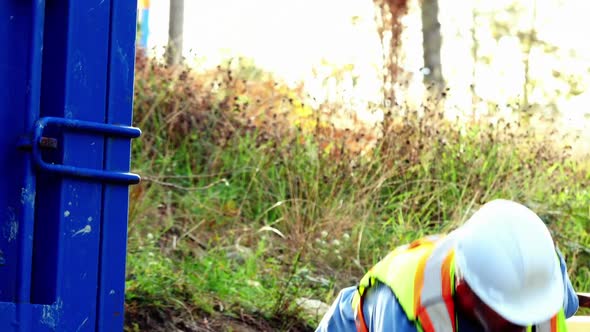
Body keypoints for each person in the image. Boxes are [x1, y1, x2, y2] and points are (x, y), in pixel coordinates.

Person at [316, 199, 579, 332]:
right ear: (466, 292)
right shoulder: (405, 311)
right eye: (509, 321)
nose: (521, 326)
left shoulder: (545, 276)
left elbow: (567, 306)